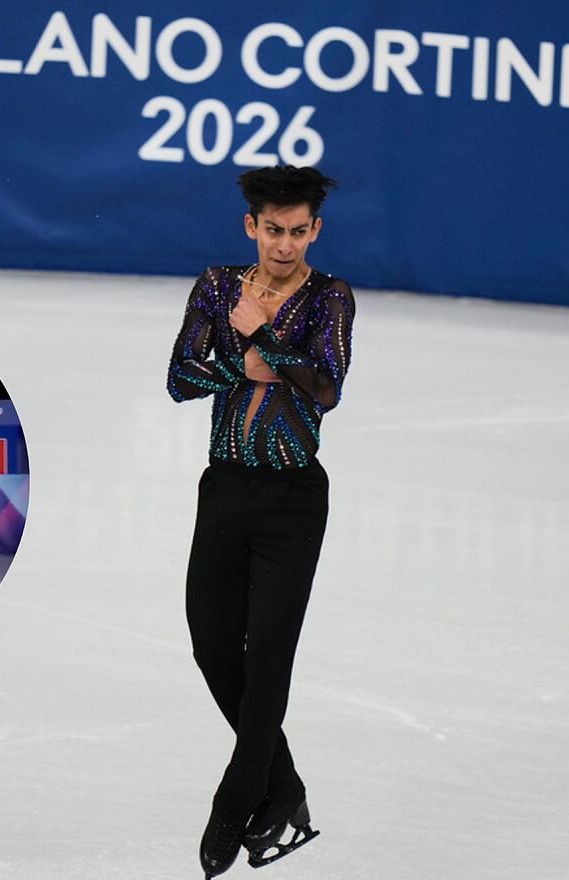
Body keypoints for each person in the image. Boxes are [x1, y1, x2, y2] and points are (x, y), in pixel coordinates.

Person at [167, 165, 354, 877]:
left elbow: (327, 386)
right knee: (214, 648)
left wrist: (261, 339)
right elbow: (181, 378)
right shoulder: (217, 285)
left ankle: (237, 798)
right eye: (272, 230)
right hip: (224, 488)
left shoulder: (331, 297)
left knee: (269, 656)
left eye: (297, 231)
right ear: (252, 226)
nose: (284, 244)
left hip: (293, 499)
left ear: (316, 229)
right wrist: (256, 361)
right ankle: (286, 788)